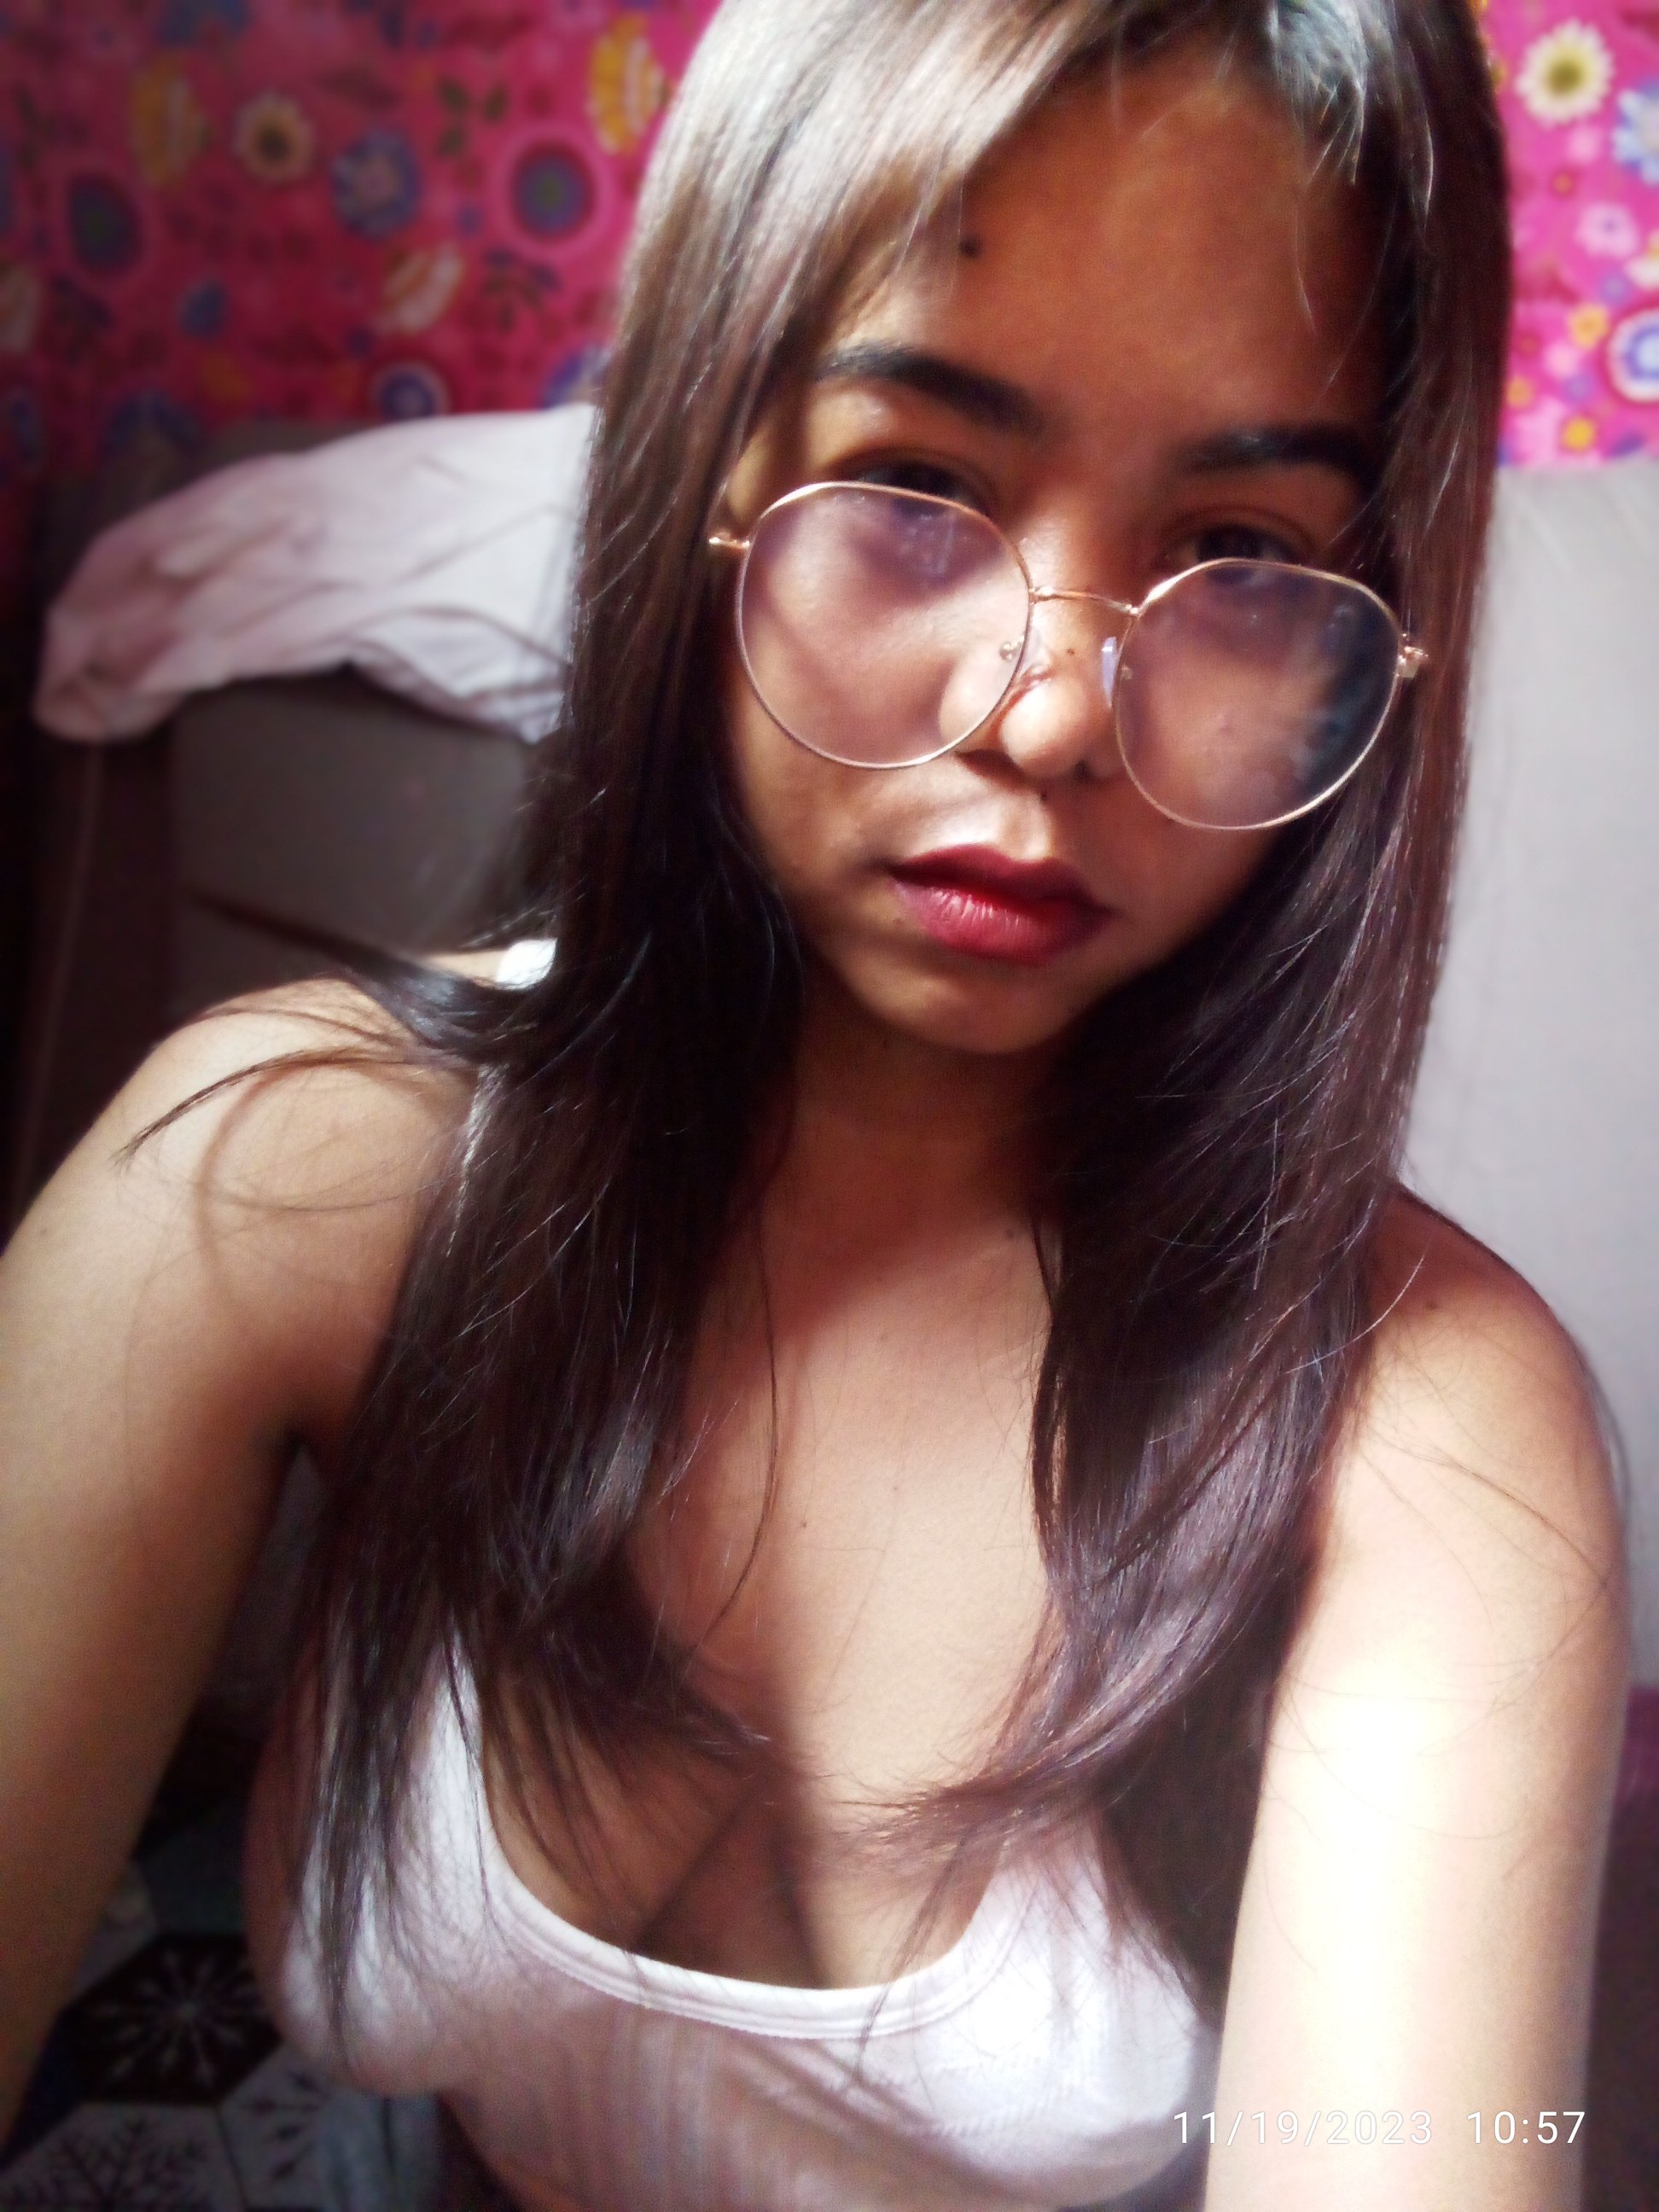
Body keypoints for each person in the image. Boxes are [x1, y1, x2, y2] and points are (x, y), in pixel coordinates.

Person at [0, 0, 1633, 2205]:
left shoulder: (1426, 1435)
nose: (1051, 715)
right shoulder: (276, 1180)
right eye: (918, 491)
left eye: (1244, 554)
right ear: (711, 472)